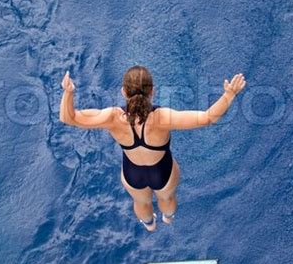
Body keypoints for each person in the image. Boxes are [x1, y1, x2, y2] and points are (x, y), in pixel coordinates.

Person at [59, 65, 246, 231]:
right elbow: (208, 117)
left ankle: (149, 224)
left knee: (141, 201)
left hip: (133, 174)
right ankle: (168, 218)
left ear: (124, 92)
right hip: (163, 172)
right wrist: (229, 94)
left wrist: (68, 92)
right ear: (152, 92)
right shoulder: (162, 118)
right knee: (167, 198)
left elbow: (69, 118)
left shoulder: (112, 117)